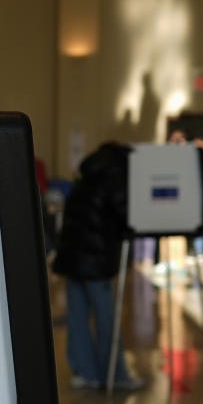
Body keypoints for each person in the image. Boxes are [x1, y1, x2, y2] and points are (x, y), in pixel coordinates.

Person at [53, 143, 144, 391]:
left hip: (73, 258)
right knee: (107, 320)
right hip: (96, 260)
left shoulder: (85, 178)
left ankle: (85, 373)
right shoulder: (116, 178)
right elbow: (127, 216)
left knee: (77, 318)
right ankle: (116, 375)